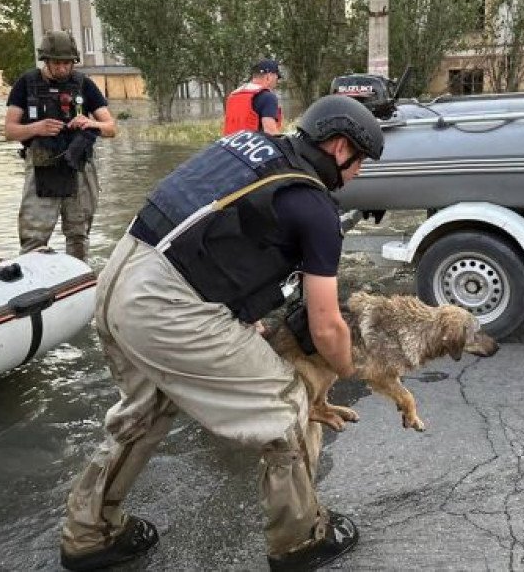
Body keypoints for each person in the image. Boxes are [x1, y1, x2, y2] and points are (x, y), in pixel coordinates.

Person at [59, 94, 385, 572]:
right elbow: (326, 323)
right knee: (289, 406)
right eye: (361, 163)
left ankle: (88, 535)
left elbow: (208, 226)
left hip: (121, 274)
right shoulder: (314, 207)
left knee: (142, 413)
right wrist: (355, 370)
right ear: (340, 148)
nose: (359, 174)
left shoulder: (247, 143)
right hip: (165, 306)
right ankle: (300, 540)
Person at [4, 30, 116, 262]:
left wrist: (90, 122)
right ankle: (33, 279)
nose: (63, 69)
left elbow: (111, 128)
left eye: (68, 63)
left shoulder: (84, 85)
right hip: (42, 166)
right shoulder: (26, 84)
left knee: (78, 234)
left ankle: (79, 277)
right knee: (34, 237)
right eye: (58, 63)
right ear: (46, 60)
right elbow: (9, 130)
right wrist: (37, 128)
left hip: (78, 167)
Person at [223, 58, 283, 135]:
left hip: (230, 145)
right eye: (276, 77)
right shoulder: (268, 97)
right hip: (253, 146)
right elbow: (270, 132)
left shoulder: (233, 95)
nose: (276, 81)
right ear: (269, 76)